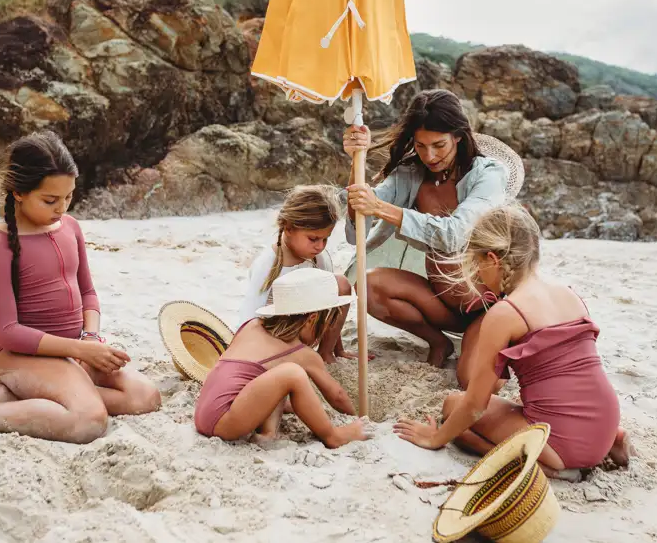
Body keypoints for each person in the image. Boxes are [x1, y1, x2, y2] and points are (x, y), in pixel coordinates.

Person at [0, 131, 161, 443]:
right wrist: (79, 350)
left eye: (68, 197)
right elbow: (8, 332)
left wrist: (89, 339)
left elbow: (87, 292)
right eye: (50, 200)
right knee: (88, 421)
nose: (61, 208)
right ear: (19, 192)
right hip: (22, 356)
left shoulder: (70, 227)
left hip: (75, 348)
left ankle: (25, 401)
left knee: (145, 397)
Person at [393, 204, 632, 475]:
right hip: (606, 420)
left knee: (453, 407)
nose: (477, 274)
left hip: (561, 444)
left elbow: (474, 405)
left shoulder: (505, 313)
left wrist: (436, 438)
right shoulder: (568, 294)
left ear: (493, 260)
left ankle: (554, 469)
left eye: (477, 264)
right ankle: (610, 441)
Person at [343, 89, 508, 369]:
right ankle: (438, 341)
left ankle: (477, 341)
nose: (429, 156)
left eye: (439, 145)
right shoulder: (410, 174)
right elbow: (354, 233)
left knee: (469, 377)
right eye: (420, 146)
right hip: (439, 304)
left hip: (487, 307)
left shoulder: (488, 174)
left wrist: (381, 208)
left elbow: (454, 235)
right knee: (368, 285)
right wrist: (355, 162)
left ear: (459, 135)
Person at [195, 268, 368, 448]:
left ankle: (267, 434)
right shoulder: (301, 353)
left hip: (206, 412)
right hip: (225, 422)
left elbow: (245, 384)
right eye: (324, 326)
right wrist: (357, 416)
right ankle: (333, 436)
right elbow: (337, 396)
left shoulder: (251, 325)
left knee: (275, 377)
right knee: (292, 373)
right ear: (312, 320)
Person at [236, 185, 362, 364]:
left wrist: (337, 348)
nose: (320, 246)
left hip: (307, 330)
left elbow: (333, 305)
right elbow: (249, 317)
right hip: (275, 338)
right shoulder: (268, 264)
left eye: (325, 239)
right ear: (288, 228)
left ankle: (325, 354)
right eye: (313, 239)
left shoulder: (319, 258)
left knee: (341, 284)